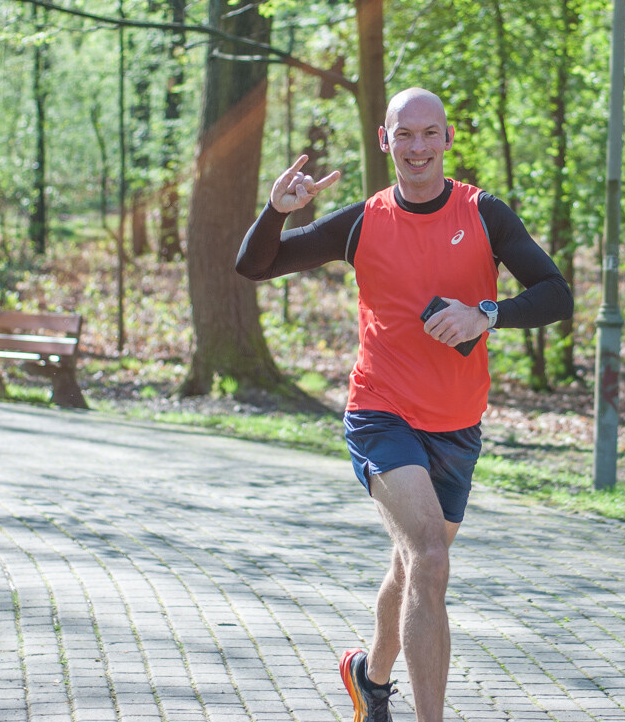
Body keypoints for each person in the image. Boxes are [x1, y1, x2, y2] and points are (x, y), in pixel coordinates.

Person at [235, 87, 573, 722]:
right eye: (404, 135)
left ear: (447, 139)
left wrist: (486, 315)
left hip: (457, 422)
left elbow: (557, 294)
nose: (417, 147)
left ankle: (371, 676)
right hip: (380, 412)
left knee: (412, 565)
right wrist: (276, 213)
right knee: (430, 557)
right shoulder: (364, 220)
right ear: (385, 141)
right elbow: (255, 266)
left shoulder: (485, 213)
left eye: (429, 134)